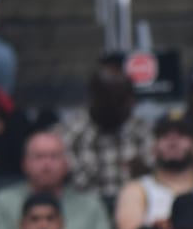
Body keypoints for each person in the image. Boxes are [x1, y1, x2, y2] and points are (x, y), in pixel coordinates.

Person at [0, 132, 117, 229]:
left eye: (54, 156)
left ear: (66, 164)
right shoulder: (3, 202)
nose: (46, 165)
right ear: (24, 164)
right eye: (39, 157)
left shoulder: (90, 205)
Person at [57, 57, 153, 200]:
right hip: (85, 209)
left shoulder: (142, 131)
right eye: (113, 101)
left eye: (124, 100)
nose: (123, 107)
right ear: (96, 99)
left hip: (134, 206)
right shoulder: (70, 132)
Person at [115, 111, 193, 229]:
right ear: (154, 148)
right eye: (164, 136)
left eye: (182, 135)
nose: (172, 141)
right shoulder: (136, 190)